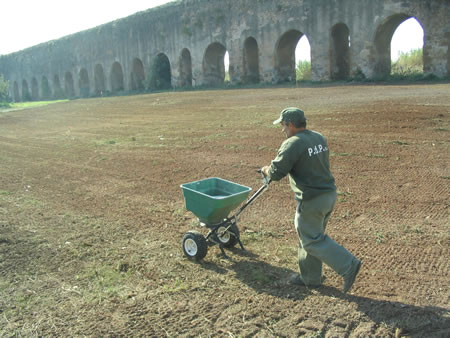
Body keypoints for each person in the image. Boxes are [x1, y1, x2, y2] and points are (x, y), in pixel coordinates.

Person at [261, 107, 361, 293]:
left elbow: (276, 173)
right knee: (310, 235)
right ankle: (310, 277)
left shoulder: (293, 143)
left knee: (312, 240)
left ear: (290, 125)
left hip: (312, 200)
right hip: (328, 195)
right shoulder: (318, 137)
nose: (283, 130)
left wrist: (266, 169)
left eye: (283, 126)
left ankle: (349, 265)